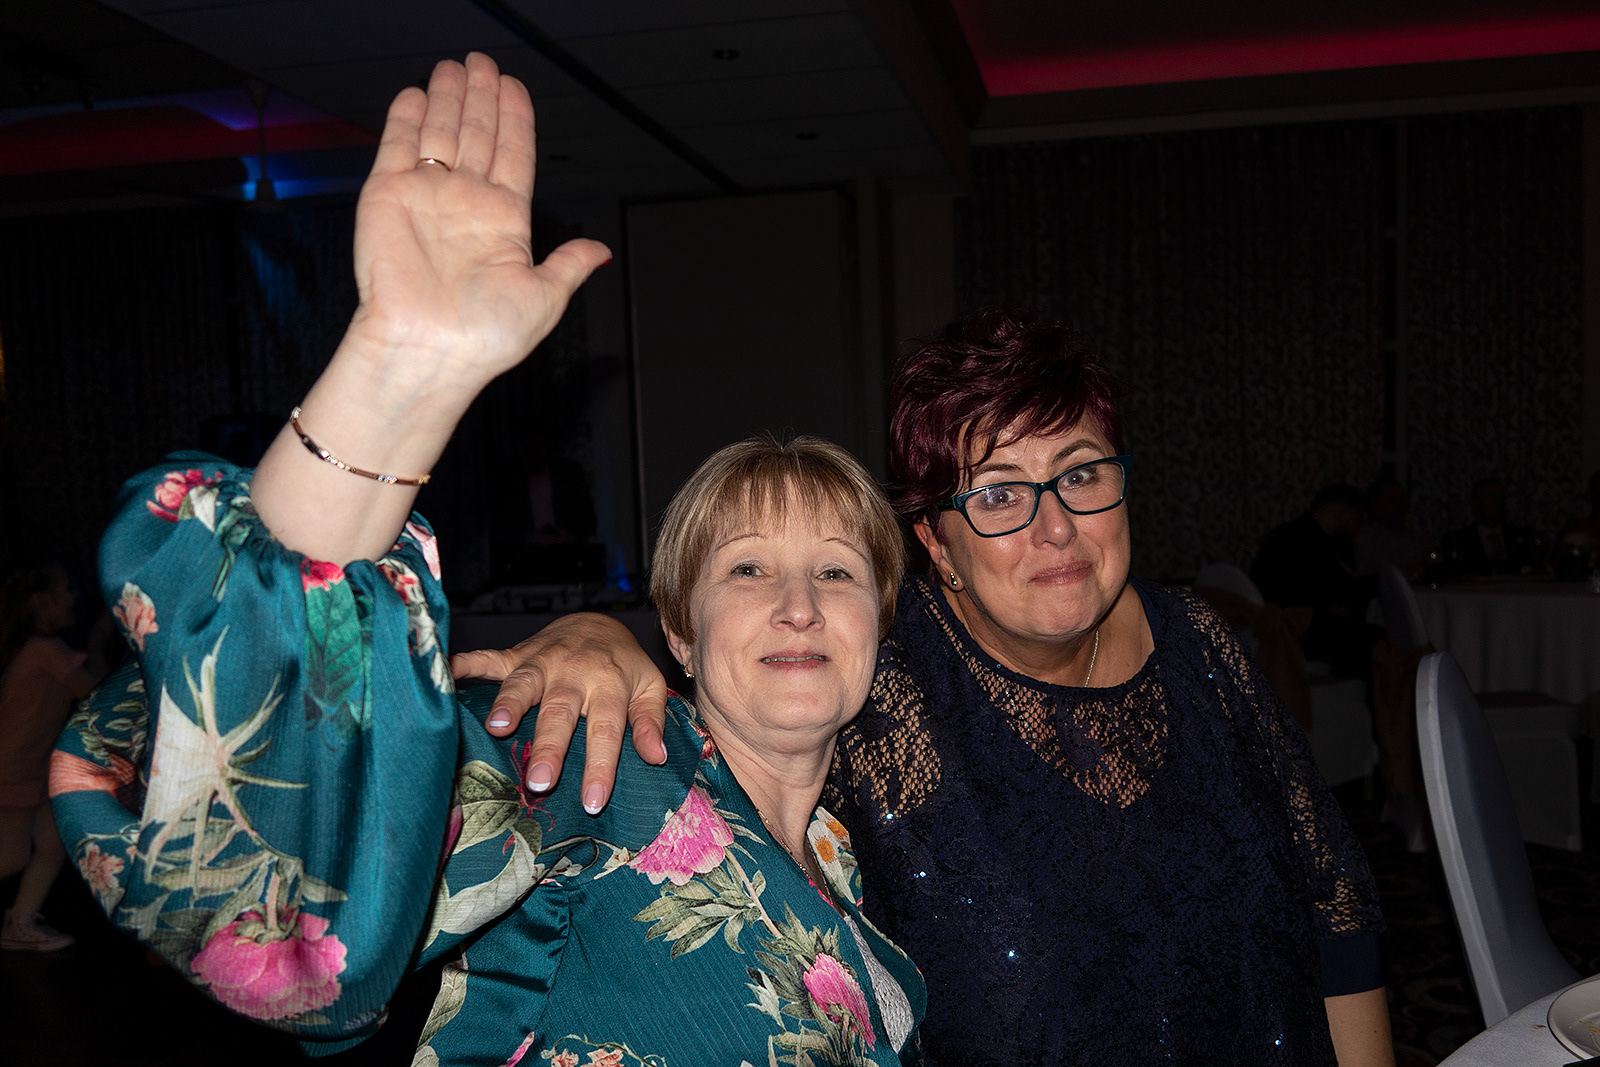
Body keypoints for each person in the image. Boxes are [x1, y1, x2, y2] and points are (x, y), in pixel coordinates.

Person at [50, 55, 923, 1064]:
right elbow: (277, 834)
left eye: (837, 570)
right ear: (679, 633)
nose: (800, 604)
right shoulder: (596, 769)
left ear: (880, 618)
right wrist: (392, 374)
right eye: (747, 569)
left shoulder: (838, 855)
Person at [466, 311, 1394, 1065]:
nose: (1056, 526)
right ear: (936, 546)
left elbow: (1337, 902)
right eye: (998, 493)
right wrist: (597, 635)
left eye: (1080, 473)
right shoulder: (883, 679)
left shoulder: (1200, 642)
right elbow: (731, 689)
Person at [1, 562, 99, 951]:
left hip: (35, 770)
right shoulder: (47, 652)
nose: (76, 596)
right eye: (68, 589)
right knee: (10, 859)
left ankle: (20, 922)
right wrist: (101, 636)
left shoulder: (35, 649)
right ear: (42, 602)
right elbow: (96, 694)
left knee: (53, 843)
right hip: (14, 772)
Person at [1251, 483, 1380, 677]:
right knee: (1379, 642)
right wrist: (1387, 581)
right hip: (1296, 634)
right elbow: (1345, 590)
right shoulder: (1311, 542)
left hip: (1282, 631)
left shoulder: (1290, 534)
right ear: (1341, 512)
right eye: (1357, 520)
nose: (1357, 529)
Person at [1437, 477, 1544, 578]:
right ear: (1476, 503)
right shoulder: (1457, 540)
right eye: (1492, 497)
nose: (1498, 503)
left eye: (1502, 497)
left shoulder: (1523, 537)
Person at [1354, 477, 1431, 578]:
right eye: (1392, 500)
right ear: (1374, 504)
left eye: (1402, 500)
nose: (1400, 506)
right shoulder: (1359, 540)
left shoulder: (1418, 540)